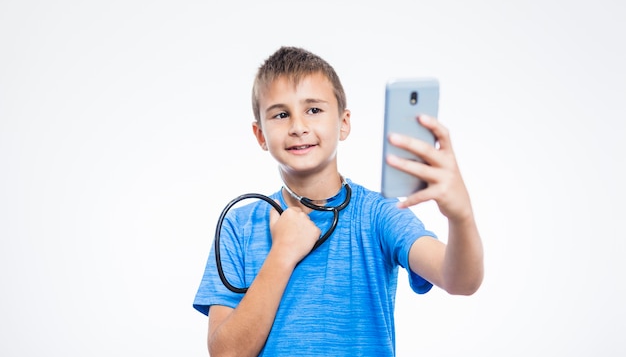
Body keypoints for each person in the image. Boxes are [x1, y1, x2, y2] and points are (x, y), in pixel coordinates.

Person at [193, 46, 483, 356]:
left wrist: (461, 217)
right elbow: (226, 353)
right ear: (260, 135)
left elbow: (461, 281)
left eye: (314, 110)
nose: (298, 127)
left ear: (343, 123)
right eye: (281, 114)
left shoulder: (378, 214)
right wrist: (283, 253)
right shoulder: (239, 226)